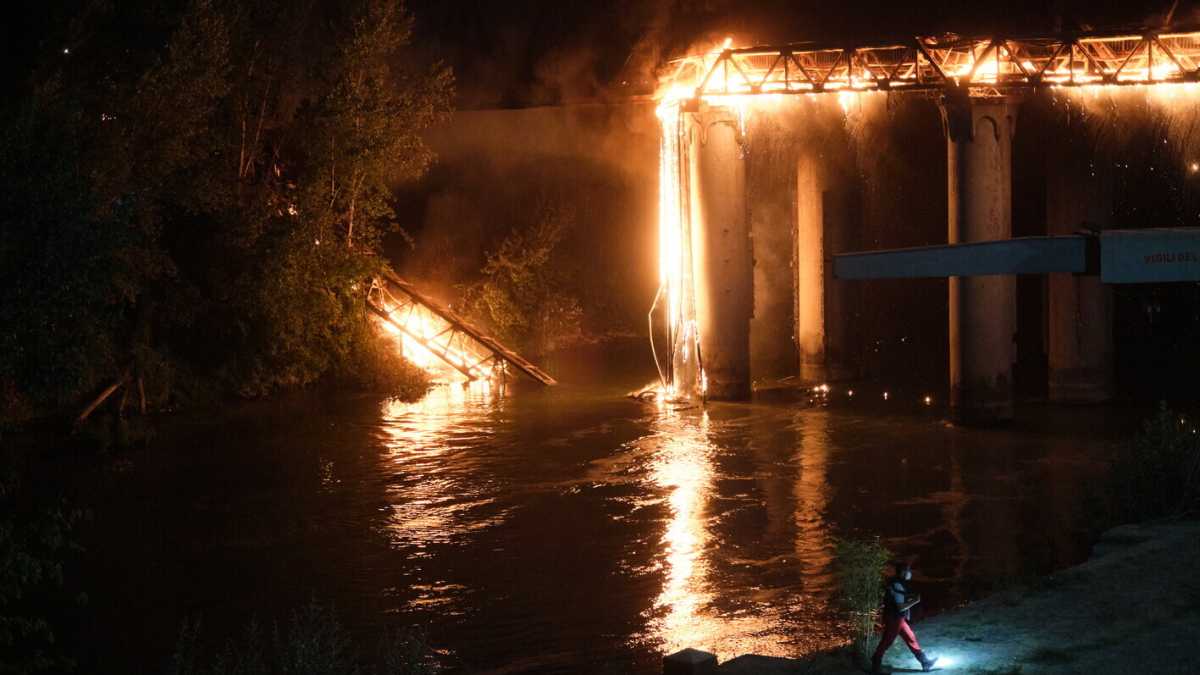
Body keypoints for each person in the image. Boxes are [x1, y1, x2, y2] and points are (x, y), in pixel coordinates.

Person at [870, 561, 937, 673]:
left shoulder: (898, 583)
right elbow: (900, 607)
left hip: (898, 618)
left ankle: (925, 662)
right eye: (908, 571)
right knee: (887, 641)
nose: (910, 573)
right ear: (903, 572)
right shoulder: (897, 585)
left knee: (910, 638)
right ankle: (875, 665)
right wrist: (914, 601)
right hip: (894, 618)